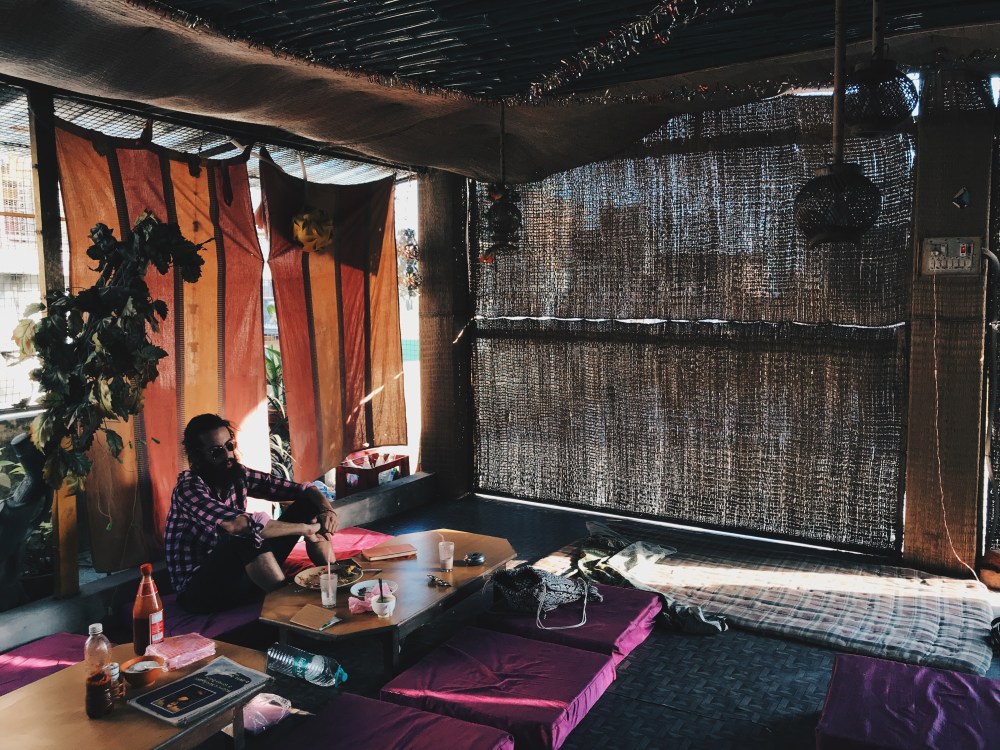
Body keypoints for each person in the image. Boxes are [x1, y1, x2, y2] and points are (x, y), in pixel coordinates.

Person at [165, 413, 339, 613]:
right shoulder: (188, 488)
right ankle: (288, 605)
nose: (228, 455)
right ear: (197, 457)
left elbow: (303, 489)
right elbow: (237, 525)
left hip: (239, 577)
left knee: (309, 503)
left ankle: (333, 574)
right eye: (216, 451)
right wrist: (305, 529)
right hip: (200, 593)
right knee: (242, 534)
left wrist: (327, 510)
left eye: (230, 446)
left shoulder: (236, 473)